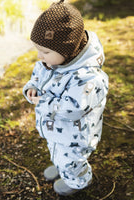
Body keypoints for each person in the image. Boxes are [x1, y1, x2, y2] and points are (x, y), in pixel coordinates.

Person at [23, 0, 108, 196]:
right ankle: (62, 167)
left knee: (72, 161)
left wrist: (43, 102)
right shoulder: (52, 63)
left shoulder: (88, 79)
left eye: (45, 51)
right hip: (57, 131)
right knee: (56, 151)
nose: (39, 56)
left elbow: (74, 108)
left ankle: (78, 181)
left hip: (75, 136)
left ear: (67, 50)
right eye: (38, 49)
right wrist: (32, 87)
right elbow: (38, 74)